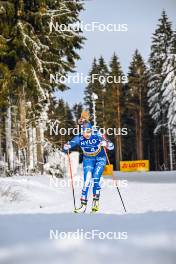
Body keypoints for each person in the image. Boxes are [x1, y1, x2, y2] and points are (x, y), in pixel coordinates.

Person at [63, 121, 114, 213]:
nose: (87, 134)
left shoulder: (98, 134)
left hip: (100, 159)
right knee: (87, 181)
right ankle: (83, 206)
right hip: (88, 160)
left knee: (95, 179)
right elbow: (67, 146)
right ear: (82, 131)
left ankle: (95, 203)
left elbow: (111, 146)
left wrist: (106, 144)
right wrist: (67, 146)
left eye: (89, 131)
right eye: (85, 132)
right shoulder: (79, 137)